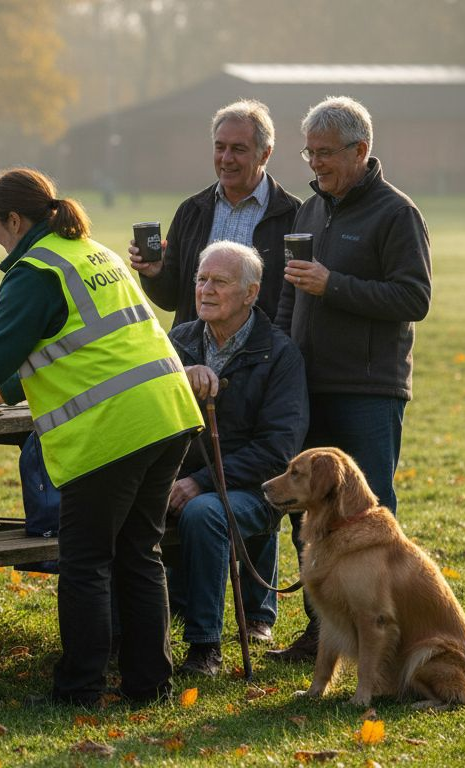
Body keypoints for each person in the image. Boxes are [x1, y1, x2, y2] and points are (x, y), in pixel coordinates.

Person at [0, 168, 204, 706]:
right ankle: (149, 686)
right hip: (170, 414)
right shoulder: (93, 253)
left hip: (112, 429)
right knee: (139, 553)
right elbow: (67, 345)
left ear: (16, 220)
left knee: (85, 562)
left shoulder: (34, 270)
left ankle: (79, 690)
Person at [269, 95, 432, 663]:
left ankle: (381, 637)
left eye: (326, 153)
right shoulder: (309, 212)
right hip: (307, 386)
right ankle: (323, 632)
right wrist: (281, 359)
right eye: (308, 153)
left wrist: (332, 284)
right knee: (309, 512)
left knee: (364, 517)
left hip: (367, 389)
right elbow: (292, 293)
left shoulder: (396, 213)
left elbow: (414, 297)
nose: (314, 164)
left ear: (361, 150)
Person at [164, 241, 307, 676]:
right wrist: (176, 378)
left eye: (219, 282)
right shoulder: (178, 342)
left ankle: (204, 647)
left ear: (250, 293)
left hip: (256, 491)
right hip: (179, 482)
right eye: (201, 280)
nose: (205, 290)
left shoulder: (280, 355)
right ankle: (121, 636)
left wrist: (200, 482)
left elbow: (277, 451)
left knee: (206, 513)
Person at [129, 99, 301, 327]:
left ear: (265, 154)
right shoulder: (191, 211)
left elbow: (297, 303)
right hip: (195, 355)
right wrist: (154, 273)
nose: (226, 158)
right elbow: (171, 299)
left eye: (238, 149)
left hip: (263, 358)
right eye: (220, 147)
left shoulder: (293, 214)